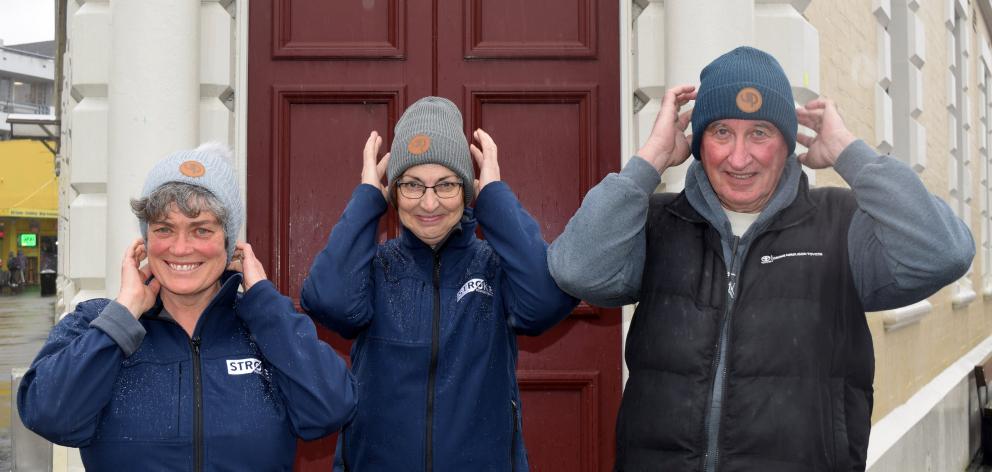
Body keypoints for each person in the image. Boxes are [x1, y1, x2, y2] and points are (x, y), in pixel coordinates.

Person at [548, 46, 975, 471]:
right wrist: (651, 159)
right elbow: (576, 268)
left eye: (759, 133)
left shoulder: (842, 225)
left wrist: (850, 152)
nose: (738, 158)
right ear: (698, 142)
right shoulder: (659, 222)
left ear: (787, 144)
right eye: (720, 132)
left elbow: (944, 252)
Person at [18, 143, 357, 470]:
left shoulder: (264, 328)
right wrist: (124, 314)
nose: (181, 248)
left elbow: (329, 407)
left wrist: (264, 301)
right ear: (145, 242)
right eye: (164, 229)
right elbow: (48, 415)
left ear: (230, 245)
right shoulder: (97, 323)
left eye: (201, 230)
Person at [301, 96, 577, 471]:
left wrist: (494, 196)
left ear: (467, 192)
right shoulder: (375, 268)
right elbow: (328, 302)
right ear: (393, 193)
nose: (429, 205)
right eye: (413, 185)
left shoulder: (494, 267)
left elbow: (545, 303)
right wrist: (367, 197)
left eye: (446, 185)